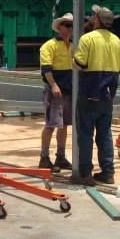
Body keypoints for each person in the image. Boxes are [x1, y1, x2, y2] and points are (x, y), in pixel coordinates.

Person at [71, 5, 120, 186]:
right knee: (105, 134)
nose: (91, 18)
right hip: (108, 93)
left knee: (85, 134)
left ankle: (85, 174)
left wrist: (73, 59)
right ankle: (108, 173)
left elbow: (79, 63)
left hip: (89, 91)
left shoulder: (87, 39)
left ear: (98, 19)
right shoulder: (117, 41)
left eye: (94, 16)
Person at [38, 13, 74, 171]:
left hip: (68, 89)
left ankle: (60, 157)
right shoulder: (49, 46)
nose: (70, 28)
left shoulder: (73, 45)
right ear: (59, 27)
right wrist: (53, 85)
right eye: (67, 25)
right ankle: (44, 157)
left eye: (71, 25)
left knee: (64, 124)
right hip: (56, 90)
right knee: (51, 124)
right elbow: (46, 68)